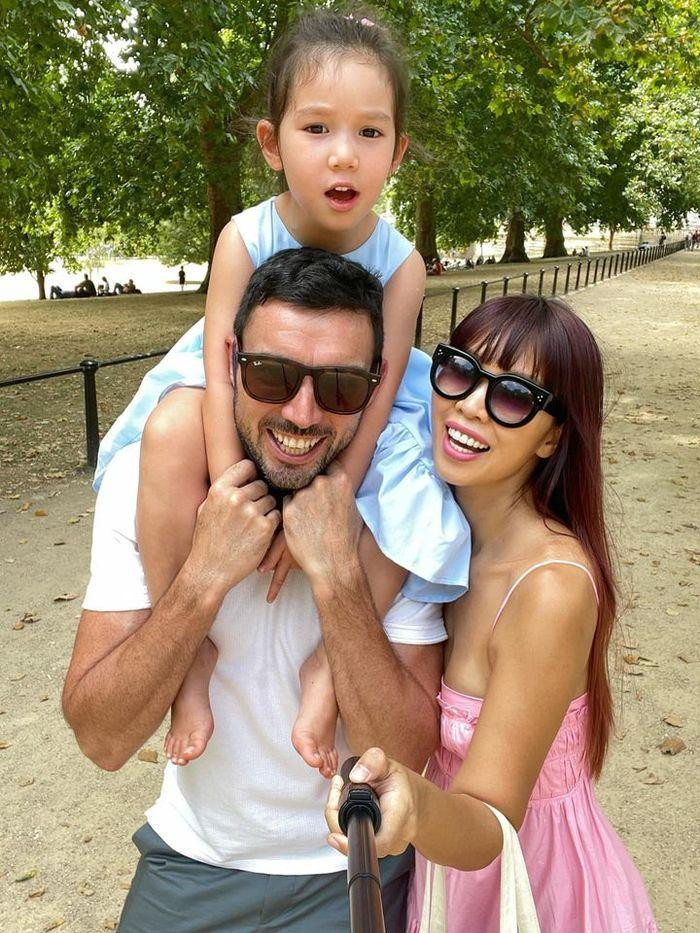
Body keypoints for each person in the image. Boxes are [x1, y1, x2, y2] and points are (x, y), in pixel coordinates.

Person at [91, 10, 469, 778]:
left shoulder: (402, 266)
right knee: (169, 431)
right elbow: (219, 361)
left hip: (358, 402)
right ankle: (189, 656)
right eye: (317, 128)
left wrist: (332, 496)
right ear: (271, 143)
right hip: (241, 386)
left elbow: (381, 392)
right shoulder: (243, 236)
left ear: (397, 151)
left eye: (369, 133)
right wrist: (237, 494)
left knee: (418, 471)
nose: (343, 153)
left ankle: (331, 667)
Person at [63, 248, 448, 931]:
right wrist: (201, 579)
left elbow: (406, 753)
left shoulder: (399, 500)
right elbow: (102, 739)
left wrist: (337, 577)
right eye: (272, 374)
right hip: (191, 861)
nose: (302, 412)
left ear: (377, 386)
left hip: (352, 865)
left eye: (340, 387)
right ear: (231, 362)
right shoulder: (153, 480)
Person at [325, 295, 658, 932]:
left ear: (552, 436)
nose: (472, 405)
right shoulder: (439, 534)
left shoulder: (549, 589)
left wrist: (414, 804)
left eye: (513, 397)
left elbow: (491, 826)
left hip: (534, 888)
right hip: (447, 876)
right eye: (458, 371)